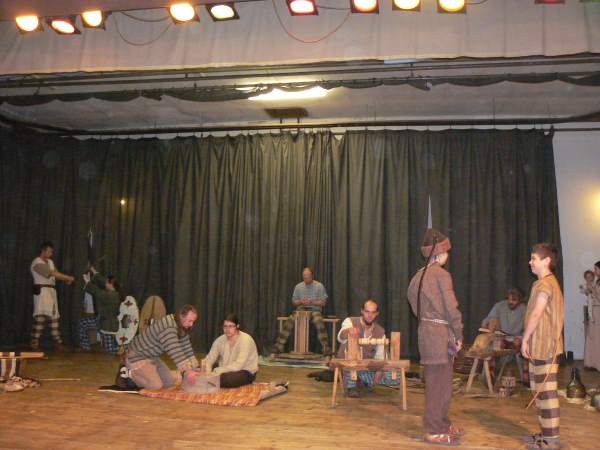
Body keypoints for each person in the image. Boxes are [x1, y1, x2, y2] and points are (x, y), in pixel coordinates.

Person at [407, 228, 464, 447]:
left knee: (441, 384)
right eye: (446, 251)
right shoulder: (441, 274)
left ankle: (442, 423)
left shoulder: (416, 277)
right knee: (438, 385)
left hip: (427, 333)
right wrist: (458, 332)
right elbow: (451, 308)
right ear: (440, 253)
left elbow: (415, 307)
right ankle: (433, 430)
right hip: (439, 336)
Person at [521, 243, 564, 450]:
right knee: (539, 391)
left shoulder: (546, 284)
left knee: (546, 393)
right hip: (539, 346)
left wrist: (524, 339)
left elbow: (537, 313)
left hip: (545, 346)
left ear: (546, 261)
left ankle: (551, 440)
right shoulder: (542, 283)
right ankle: (546, 433)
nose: (530, 262)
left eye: (533, 258)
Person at [122, 305, 199, 390]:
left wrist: (195, 367)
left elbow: (186, 346)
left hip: (152, 357)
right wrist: (187, 372)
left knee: (169, 382)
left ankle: (147, 373)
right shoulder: (168, 326)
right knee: (155, 385)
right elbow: (175, 350)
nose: (191, 324)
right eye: (190, 321)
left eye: (193, 321)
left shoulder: (180, 325)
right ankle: (128, 374)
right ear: (181, 316)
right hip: (136, 357)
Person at [336, 299, 401, 397]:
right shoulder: (350, 321)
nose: (370, 315)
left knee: (396, 377)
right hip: (349, 366)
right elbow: (340, 337)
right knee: (351, 368)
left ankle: (363, 381)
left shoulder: (380, 331)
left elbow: (380, 356)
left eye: (373, 312)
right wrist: (349, 331)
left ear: (377, 313)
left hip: (365, 368)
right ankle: (354, 385)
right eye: (367, 311)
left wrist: (380, 370)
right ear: (362, 311)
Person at [271, 267, 331, 355]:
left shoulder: (319, 286)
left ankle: (325, 347)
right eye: (304, 277)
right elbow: (294, 302)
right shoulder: (298, 286)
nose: (306, 279)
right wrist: (300, 301)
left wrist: (312, 302)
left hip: (315, 310)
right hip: (301, 309)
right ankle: (278, 346)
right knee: (290, 320)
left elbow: (323, 302)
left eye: (308, 277)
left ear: (312, 276)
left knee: (319, 321)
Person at [30, 241, 75, 352]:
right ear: (43, 250)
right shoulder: (37, 262)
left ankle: (58, 343)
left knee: (54, 318)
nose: (51, 253)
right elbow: (50, 273)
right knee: (40, 317)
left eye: (52, 252)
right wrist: (67, 278)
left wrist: (66, 279)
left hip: (51, 292)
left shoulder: (50, 262)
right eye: (49, 251)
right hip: (41, 292)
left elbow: (56, 273)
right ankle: (34, 343)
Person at [199, 314, 259, 388]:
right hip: (226, 368)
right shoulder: (220, 340)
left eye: (230, 326)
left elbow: (238, 365)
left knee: (227, 380)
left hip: (245, 371)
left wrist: (217, 371)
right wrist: (207, 373)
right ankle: (210, 380)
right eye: (225, 326)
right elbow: (210, 359)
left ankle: (211, 381)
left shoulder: (246, 340)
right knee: (202, 367)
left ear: (237, 326)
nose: (227, 329)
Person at [481, 288, 528, 382]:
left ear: (520, 300)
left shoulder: (525, 309)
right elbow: (488, 319)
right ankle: (489, 378)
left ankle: (526, 379)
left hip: (517, 338)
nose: (510, 302)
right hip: (502, 338)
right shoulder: (499, 306)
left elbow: (528, 328)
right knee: (494, 346)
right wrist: (487, 324)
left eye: (514, 300)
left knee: (525, 347)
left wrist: (521, 338)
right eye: (509, 299)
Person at [77, 268, 121, 354]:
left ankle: (123, 350)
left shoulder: (110, 295)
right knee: (82, 323)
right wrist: (94, 271)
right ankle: (86, 347)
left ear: (111, 284)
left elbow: (96, 291)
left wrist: (87, 282)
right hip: (102, 321)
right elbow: (103, 281)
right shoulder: (115, 293)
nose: (105, 283)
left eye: (107, 282)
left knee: (111, 350)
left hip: (107, 325)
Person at [584, 262, 600, 371]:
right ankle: (592, 363)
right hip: (594, 311)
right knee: (592, 336)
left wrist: (593, 290)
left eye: (596, 269)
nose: (595, 271)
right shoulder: (597, 282)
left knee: (598, 337)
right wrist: (589, 290)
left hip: (598, 311)